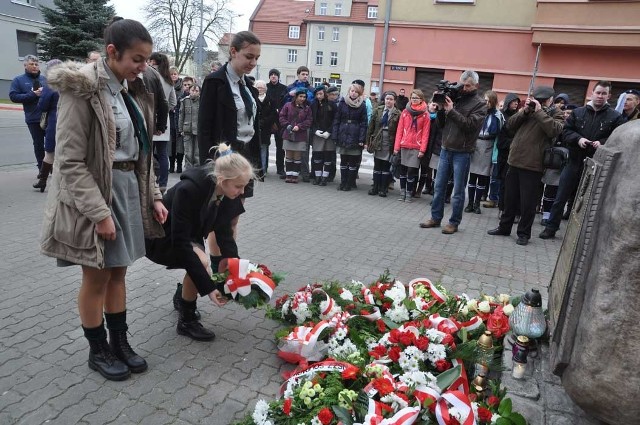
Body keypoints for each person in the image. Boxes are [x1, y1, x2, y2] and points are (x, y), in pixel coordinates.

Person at [40, 18, 168, 381]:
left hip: (128, 189)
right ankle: (97, 350)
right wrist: (99, 213)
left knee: (119, 272)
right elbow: (69, 162)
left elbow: (141, 151)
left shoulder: (130, 89)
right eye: (137, 59)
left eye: (146, 59)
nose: (143, 67)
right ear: (112, 53)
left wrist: (154, 196)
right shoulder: (82, 89)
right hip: (96, 195)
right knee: (96, 277)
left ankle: (120, 341)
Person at [147, 144, 253, 341]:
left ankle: (183, 297)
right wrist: (210, 288)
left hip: (188, 236)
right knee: (201, 263)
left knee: (199, 262)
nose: (242, 191)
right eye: (239, 186)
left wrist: (237, 271)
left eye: (244, 186)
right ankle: (186, 321)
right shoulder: (190, 189)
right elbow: (180, 242)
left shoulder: (226, 192)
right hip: (163, 237)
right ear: (222, 179)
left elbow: (224, 235)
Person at [198, 30, 261, 273]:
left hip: (245, 157)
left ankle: (228, 269)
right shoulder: (215, 83)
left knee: (234, 217)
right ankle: (219, 271)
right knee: (220, 219)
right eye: (248, 56)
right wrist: (212, 164)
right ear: (233, 52)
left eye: (256, 58)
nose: (253, 63)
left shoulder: (248, 86)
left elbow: (253, 126)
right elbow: (204, 128)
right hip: (224, 157)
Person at [539, 81, 626, 239]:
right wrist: (578, 139)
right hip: (573, 161)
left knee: (588, 202)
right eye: (598, 92)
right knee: (561, 197)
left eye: (603, 93)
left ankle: (579, 234)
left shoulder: (615, 117)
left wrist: (604, 143)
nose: (600, 96)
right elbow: (566, 132)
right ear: (592, 93)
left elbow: (619, 138)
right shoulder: (578, 112)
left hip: (596, 166)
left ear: (609, 96)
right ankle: (551, 228)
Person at [487, 86, 565, 245]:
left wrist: (539, 112)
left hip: (534, 164)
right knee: (509, 199)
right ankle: (504, 227)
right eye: (537, 99)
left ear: (550, 100)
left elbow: (554, 130)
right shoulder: (526, 110)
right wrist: (525, 111)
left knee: (528, 203)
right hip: (514, 159)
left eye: (543, 100)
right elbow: (509, 125)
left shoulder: (555, 113)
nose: (540, 102)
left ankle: (523, 233)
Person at [419, 70, 487, 234]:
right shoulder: (454, 98)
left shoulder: (480, 104)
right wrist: (441, 109)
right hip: (446, 148)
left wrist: (451, 110)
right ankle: (435, 218)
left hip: (462, 152)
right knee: (439, 186)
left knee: (457, 190)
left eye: (468, 85)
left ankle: (454, 222)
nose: (464, 88)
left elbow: (470, 126)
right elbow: (441, 125)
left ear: (476, 85)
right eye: (463, 84)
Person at [9, 54, 47, 178]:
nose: (35, 66)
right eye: (32, 64)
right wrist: (32, 94)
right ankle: (42, 169)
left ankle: (52, 166)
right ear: (25, 65)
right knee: (38, 144)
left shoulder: (44, 79)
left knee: (54, 142)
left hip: (48, 116)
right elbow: (13, 96)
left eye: (36, 64)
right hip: (33, 118)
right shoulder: (18, 80)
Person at [466, 91, 503, 214]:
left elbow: (499, 131)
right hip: (476, 144)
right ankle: (470, 203)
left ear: (493, 102)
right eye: (484, 100)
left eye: (488, 101)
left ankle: (477, 204)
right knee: (472, 177)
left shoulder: (497, 115)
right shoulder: (478, 111)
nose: (485, 102)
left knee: (482, 177)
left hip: (488, 145)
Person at [483, 93, 520, 210]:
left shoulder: (519, 117)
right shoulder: (502, 116)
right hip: (500, 150)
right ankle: (493, 198)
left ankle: (501, 202)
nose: (516, 103)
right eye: (514, 101)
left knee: (507, 180)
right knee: (496, 176)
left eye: (517, 101)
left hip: (513, 153)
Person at [393, 89, 430, 203]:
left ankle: (409, 193)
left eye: (416, 98)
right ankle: (402, 192)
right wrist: (396, 147)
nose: (414, 100)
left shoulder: (425, 115)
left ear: (421, 100)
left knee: (412, 172)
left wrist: (422, 150)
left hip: (416, 147)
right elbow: (399, 130)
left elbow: (425, 134)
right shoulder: (405, 112)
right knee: (403, 171)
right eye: (413, 97)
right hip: (404, 145)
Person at [148, 52, 177, 193]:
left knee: (148, 152)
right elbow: (173, 102)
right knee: (163, 153)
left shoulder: (150, 76)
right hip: (164, 120)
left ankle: (150, 180)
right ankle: (163, 183)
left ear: (153, 62)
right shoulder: (168, 79)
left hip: (150, 117)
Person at [32, 59, 62, 192]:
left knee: (50, 152)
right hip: (70, 121)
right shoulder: (71, 83)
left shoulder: (51, 85)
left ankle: (43, 181)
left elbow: (42, 106)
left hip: (54, 122)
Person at [332, 83, 368, 191]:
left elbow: (364, 123)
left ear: (359, 93)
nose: (353, 93)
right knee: (343, 161)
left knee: (353, 162)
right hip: (343, 133)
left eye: (356, 91)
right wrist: (335, 135)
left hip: (355, 135)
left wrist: (362, 139)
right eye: (352, 91)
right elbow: (336, 120)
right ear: (349, 91)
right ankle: (343, 182)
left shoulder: (362, 105)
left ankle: (350, 183)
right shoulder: (342, 103)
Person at [366, 91, 400, 197]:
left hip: (389, 143)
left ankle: (383, 188)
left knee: (386, 167)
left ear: (394, 101)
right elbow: (370, 127)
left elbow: (399, 131)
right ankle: (375, 186)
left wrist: (397, 146)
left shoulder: (398, 113)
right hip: (378, 141)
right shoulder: (378, 110)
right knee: (377, 166)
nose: (388, 101)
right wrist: (367, 142)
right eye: (387, 99)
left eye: (391, 99)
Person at [279, 88, 313, 183]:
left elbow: (309, 121)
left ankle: (295, 176)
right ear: (296, 96)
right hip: (288, 133)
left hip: (300, 135)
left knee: (297, 156)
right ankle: (288, 175)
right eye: (300, 96)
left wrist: (300, 126)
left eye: (304, 97)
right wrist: (287, 125)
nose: (302, 98)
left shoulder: (307, 108)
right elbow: (281, 116)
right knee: (289, 155)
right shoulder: (288, 105)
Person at [266, 68, 288, 178]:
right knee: (265, 144)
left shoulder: (284, 88)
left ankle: (280, 168)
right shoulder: (266, 87)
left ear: (278, 77)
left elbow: (286, 103)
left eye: (275, 75)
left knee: (280, 146)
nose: (273, 76)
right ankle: (264, 168)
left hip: (280, 120)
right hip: (268, 119)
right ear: (269, 76)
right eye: (271, 75)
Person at [255, 79, 278, 179]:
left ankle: (262, 171)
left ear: (265, 89)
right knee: (254, 150)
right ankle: (254, 171)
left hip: (266, 129)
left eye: (262, 87)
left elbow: (273, 114)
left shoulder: (270, 100)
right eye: (258, 87)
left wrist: (263, 122)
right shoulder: (252, 98)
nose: (260, 89)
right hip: (254, 128)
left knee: (264, 149)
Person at [178, 84, 201, 170]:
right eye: (192, 90)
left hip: (198, 130)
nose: (194, 92)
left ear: (199, 92)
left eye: (196, 91)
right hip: (187, 129)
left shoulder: (202, 101)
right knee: (188, 152)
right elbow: (181, 116)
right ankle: (188, 171)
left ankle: (196, 171)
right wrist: (180, 129)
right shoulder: (184, 101)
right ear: (189, 91)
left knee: (197, 153)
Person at [168, 66, 182, 173]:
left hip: (180, 117)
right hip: (170, 116)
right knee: (171, 142)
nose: (173, 76)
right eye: (171, 74)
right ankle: (171, 164)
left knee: (179, 142)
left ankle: (180, 165)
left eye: (175, 74)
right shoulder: (167, 85)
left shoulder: (182, 87)